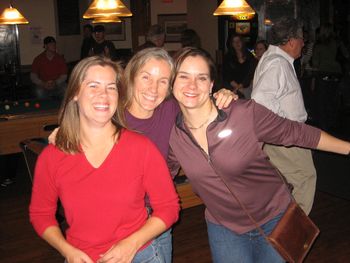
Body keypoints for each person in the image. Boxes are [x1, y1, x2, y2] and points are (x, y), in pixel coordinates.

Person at [48, 47, 236, 263]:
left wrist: (223, 94)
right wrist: (64, 130)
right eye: (146, 77)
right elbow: (78, 118)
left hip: (158, 215)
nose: (153, 89)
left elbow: (201, 101)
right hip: (115, 218)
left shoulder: (173, 109)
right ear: (131, 76)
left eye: (163, 81)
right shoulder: (110, 111)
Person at [167, 46, 350, 263]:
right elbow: (160, 174)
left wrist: (348, 148)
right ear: (172, 82)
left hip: (274, 217)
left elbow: (297, 133)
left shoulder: (243, 113)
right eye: (183, 76)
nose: (192, 85)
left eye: (201, 78)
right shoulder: (172, 135)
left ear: (211, 85)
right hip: (224, 226)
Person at [29, 56, 180, 263]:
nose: (104, 95)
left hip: (140, 255)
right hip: (80, 257)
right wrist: (67, 250)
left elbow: (169, 206)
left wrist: (132, 243)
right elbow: (40, 214)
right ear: (74, 93)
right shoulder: (53, 156)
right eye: (93, 85)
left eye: (111, 87)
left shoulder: (141, 147)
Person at [251, 17, 317, 215]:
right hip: (288, 137)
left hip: (280, 136)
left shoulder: (272, 58)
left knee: (281, 184)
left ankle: (278, 227)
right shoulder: (278, 64)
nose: (303, 43)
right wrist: (285, 127)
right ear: (291, 41)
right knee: (305, 177)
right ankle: (293, 236)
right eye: (301, 39)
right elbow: (260, 100)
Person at [223, 33, 257, 99]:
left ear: (242, 42)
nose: (237, 43)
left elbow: (251, 73)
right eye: (234, 42)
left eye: (239, 41)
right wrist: (237, 88)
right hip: (232, 88)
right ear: (232, 44)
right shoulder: (228, 57)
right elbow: (226, 74)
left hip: (247, 88)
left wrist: (241, 87)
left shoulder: (250, 56)